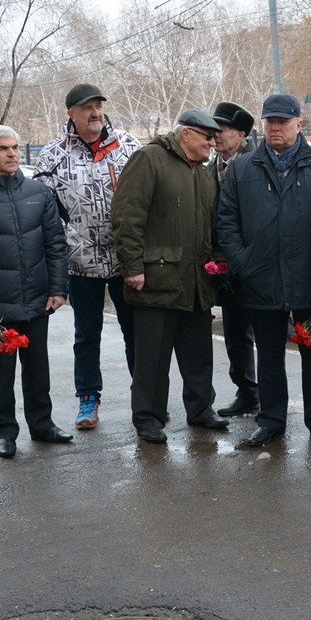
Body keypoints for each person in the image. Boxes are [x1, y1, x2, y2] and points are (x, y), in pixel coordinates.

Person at [218, 94, 311, 446]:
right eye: (269, 121)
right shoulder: (243, 169)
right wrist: (243, 263)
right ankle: (270, 420)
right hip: (260, 279)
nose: (275, 128)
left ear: (299, 124)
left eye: (283, 122)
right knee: (269, 355)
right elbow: (226, 222)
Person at [0, 125, 72, 458]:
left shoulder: (38, 192)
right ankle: (4, 433)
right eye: (4, 148)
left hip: (37, 299)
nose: (12, 154)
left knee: (38, 369)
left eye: (15, 147)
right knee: (1, 376)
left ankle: (42, 424)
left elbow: (56, 244)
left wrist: (59, 288)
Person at [110, 109, 229, 444]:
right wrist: (132, 267)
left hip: (196, 283)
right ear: (186, 134)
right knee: (153, 357)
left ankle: (201, 409)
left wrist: (218, 262)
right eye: (207, 137)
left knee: (199, 355)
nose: (212, 142)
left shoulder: (203, 174)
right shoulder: (150, 160)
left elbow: (214, 225)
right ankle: (147, 417)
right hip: (156, 280)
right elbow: (126, 216)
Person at [34, 83, 142, 431]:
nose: (95, 113)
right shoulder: (52, 155)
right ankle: (87, 400)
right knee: (87, 336)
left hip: (127, 261)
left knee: (136, 333)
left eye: (98, 106)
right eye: (87, 108)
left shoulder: (129, 147)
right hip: (80, 264)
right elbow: (43, 215)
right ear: (71, 114)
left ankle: (145, 397)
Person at [209, 101, 260, 418]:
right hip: (224, 266)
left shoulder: (257, 165)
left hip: (255, 264)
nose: (215, 135)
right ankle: (247, 391)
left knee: (264, 336)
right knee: (235, 334)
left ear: (241, 135)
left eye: (223, 130)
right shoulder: (210, 167)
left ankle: (269, 394)